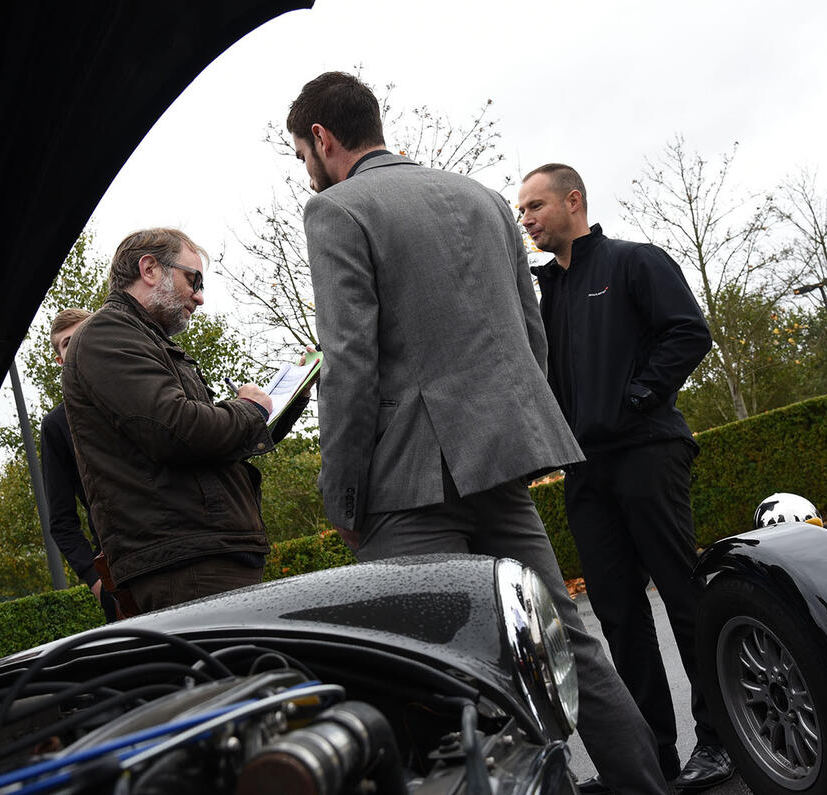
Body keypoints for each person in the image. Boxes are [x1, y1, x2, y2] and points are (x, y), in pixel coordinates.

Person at [289, 71, 669, 795]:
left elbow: (349, 363)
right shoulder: (484, 199)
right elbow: (530, 335)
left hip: (407, 486)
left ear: (322, 138)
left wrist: (343, 497)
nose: (306, 171)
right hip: (498, 468)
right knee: (565, 643)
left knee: (433, 678)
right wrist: (513, 435)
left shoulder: (336, 210)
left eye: (302, 156)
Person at [518, 163, 730, 792]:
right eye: (521, 210)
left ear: (572, 201)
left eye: (534, 206)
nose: (526, 219)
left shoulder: (635, 261)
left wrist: (636, 399)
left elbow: (688, 332)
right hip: (585, 471)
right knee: (617, 616)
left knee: (683, 595)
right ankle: (653, 760)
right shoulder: (547, 293)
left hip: (647, 451)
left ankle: (721, 740)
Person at [61, 228, 307, 614]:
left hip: (199, 554)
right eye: (194, 279)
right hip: (184, 560)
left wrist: (290, 399)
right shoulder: (107, 335)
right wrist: (248, 409)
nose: (200, 296)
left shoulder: (141, 338)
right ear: (149, 269)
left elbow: (211, 441)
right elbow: (176, 429)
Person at [41, 307, 118, 622]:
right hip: (119, 570)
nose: (77, 345)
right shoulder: (56, 426)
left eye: (84, 334)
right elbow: (61, 521)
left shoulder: (141, 390)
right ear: (60, 360)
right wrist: (98, 583)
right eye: (67, 342)